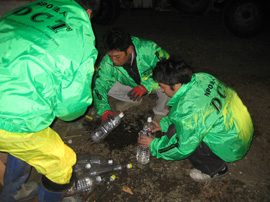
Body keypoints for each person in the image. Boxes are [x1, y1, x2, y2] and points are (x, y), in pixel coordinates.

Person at [0, 0, 99, 201]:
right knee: (62, 163)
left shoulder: (35, 6)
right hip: (9, 115)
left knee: (26, 145)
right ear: (88, 13)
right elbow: (72, 108)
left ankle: (13, 193)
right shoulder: (80, 36)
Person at [138, 59, 254, 182]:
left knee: (175, 133)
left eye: (163, 87)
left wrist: (154, 145)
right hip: (241, 128)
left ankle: (215, 169)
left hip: (232, 145)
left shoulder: (188, 110)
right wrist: (163, 124)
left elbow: (182, 147)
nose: (162, 91)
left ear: (176, 85)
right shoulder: (202, 77)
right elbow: (189, 113)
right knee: (180, 127)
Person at [93, 27, 170, 122]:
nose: (113, 60)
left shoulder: (149, 48)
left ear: (130, 50)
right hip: (133, 86)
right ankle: (134, 99)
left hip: (154, 84)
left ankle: (161, 112)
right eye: (110, 56)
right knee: (107, 86)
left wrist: (146, 86)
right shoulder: (107, 62)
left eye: (117, 56)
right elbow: (99, 85)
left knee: (168, 81)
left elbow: (167, 68)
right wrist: (104, 110)